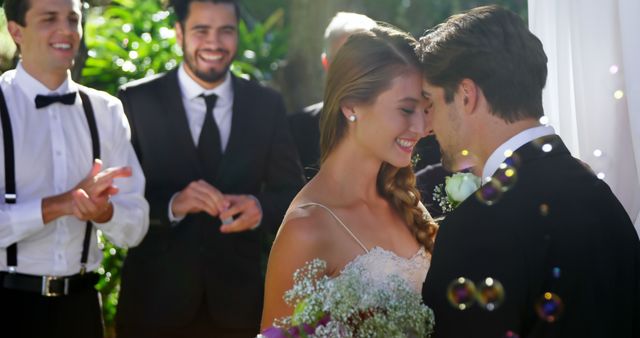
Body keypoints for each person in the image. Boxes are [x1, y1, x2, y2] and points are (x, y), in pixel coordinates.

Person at [418, 5, 640, 338]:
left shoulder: (474, 230)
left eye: (430, 102)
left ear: (466, 96)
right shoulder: (602, 199)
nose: (427, 124)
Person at [114, 0, 305, 337]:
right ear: (179, 33)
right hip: (153, 308)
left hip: (238, 311)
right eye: (201, 30)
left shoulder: (266, 105)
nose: (214, 43)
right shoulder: (135, 101)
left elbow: (293, 194)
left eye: (225, 31)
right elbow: (117, 203)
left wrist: (259, 208)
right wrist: (174, 205)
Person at [261, 23, 438, 329]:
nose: (422, 128)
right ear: (351, 106)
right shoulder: (306, 228)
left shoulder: (404, 203)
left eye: (425, 110)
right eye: (407, 110)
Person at [0, 0, 150, 337]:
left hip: (80, 309)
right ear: (15, 31)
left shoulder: (106, 111)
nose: (66, 30)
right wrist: (60, 205)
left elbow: (136, 225)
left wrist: (104, 212)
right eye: (49, 19)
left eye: (72, 19)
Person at [288, 12, 375, 180]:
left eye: (364, 60)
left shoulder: (409, 125)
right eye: (343, 61)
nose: (354, 70)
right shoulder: (295, 130)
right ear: (326, 64)